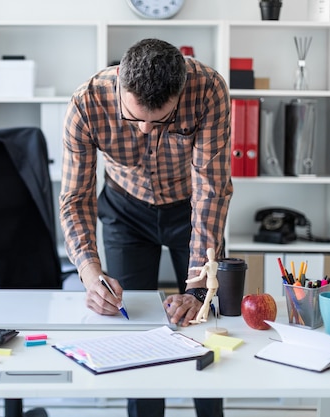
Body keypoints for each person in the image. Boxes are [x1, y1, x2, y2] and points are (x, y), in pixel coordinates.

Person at [59, 38, 233, 417]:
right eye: (134, 117)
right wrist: (90, 274)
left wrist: (198, 287)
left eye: (161, 121)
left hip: (190, 210)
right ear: (120, 80)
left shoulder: (208, 90)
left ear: (181, 90)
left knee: (201, 319)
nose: (144, 130)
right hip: (125, 210)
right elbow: (76, 198)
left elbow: (211, 190)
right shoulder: (86, 103)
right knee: (132, 325)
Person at [187, 247, 219, 324]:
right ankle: (204, 317)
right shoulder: (215, 264)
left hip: (210, 284)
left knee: (205, 303)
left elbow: (200, 277)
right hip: (215, 283)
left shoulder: (207, 265)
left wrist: (190, 281)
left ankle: (198, 319)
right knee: (208, 302)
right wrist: (195, 268)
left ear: (207, 256)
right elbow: (205, 268)